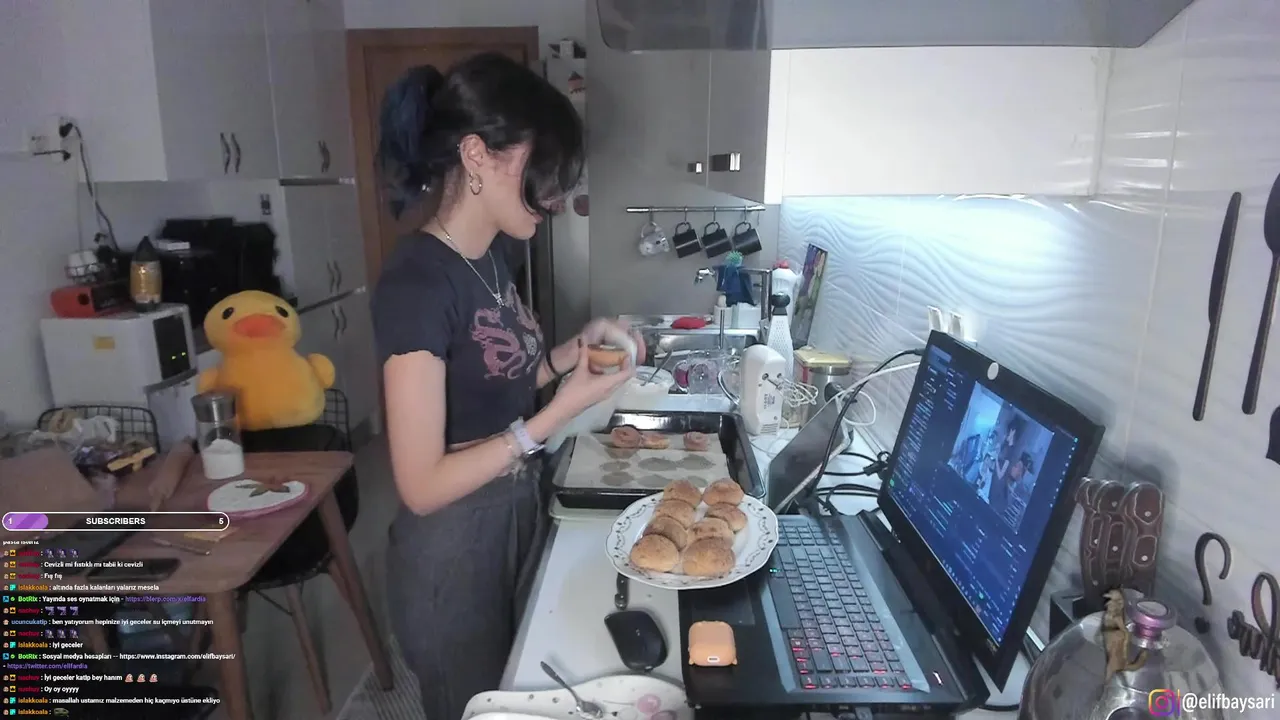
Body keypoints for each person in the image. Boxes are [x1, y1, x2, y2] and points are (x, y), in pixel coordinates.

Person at [369, 53, 644, 718]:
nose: (555, 198)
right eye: (541, 169)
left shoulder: (495, 255)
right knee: (476, 705)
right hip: (453, 546)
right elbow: (420, 485)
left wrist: (572, 353)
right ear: (477, 156)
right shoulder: (416, 284)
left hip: (519, 509)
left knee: (523, 690)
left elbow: (507, 377)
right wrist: (556, 416)